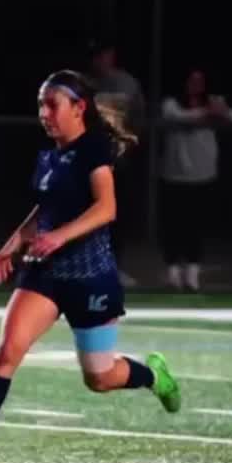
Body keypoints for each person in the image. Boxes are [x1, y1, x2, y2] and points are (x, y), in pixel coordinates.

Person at [0, 68, 180, 463]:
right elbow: (46, 210)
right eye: (40, 105)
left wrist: (60, 236)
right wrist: (16, 241)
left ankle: (154, 375)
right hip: (46, 274)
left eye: (52, 104)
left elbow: (106, 208)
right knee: (7, 350)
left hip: (90, 277)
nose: (44, 113)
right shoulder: (49, 155)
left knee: (100, 378)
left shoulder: (93, 149)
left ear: (79, 108)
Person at [159, 70, 232, 291]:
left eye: (200, 81)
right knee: (173, 225)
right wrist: (207, 113)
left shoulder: (215, 102)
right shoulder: (170, 103)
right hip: (174, 174)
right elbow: (177, 116)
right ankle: (173, 273)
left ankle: (193, 274)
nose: (196, 84)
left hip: (203, 174)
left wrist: (217, 110)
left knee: (196, 225)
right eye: (192, 80)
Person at [88, 39, 146, 286]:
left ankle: (113, 267)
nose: (102, 60)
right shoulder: (82, 83)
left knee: (115, 217)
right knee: (86, 217)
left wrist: (129, 145)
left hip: (118, 162)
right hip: (87, 163)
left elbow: (139, 116)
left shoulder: (127, 83)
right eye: (97, 56)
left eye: (105, 55)